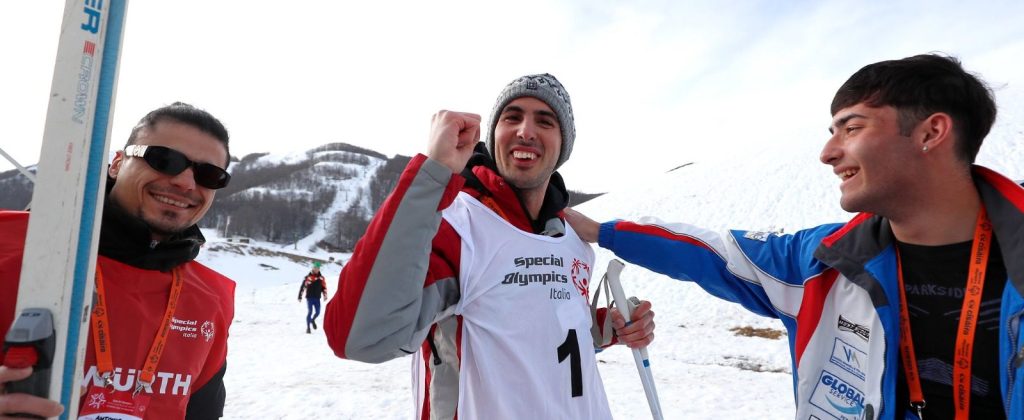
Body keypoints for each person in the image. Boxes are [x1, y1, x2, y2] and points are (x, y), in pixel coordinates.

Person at [566, 54, 1024, 419]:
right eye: (832, 131)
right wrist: (602, 231)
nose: (828, 152)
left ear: (932, 132)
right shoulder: (821, 263)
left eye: (852, 127)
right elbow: (712, 253)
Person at [323, 73, 656, 419]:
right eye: (512, 117)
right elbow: (360, 337)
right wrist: (433, 174)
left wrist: (609, 325)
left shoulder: (570, 237)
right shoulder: (457, 228)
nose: (525, 131)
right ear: (493, 133)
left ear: (563, 147)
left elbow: (543, 324)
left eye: (545, 121)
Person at [0, 102, 236, 419]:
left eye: (209, 175)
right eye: (165, 160)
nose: (186, 183)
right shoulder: (10, 244)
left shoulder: (211, 297)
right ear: (117, 164)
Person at [298, 261, 328, 334]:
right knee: (310, 312)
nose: (316, 269)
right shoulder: (307, 278)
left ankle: (312, 320)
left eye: (318, 268)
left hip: (317, 298)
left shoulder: (321, 278)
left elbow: (324, 287)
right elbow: (303, 287)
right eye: (315, 267)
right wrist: (300, 296)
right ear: (312, 268)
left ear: (319, 269)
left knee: (318, 312)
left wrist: (325, 295)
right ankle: (308, 328)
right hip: (309, 298)